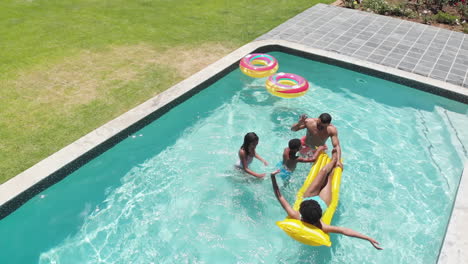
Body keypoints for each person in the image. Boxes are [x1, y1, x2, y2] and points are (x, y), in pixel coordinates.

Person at [271, 149, 383, 250]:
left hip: (309, 196)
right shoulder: (321, 226)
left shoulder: (296, 216)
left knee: (323, 171)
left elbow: (280, 196)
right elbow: (344, 231)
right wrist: (368, 238)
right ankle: (335, 159)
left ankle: (334, 159)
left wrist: (273, 178)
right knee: (329, 177)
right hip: (323, 201)